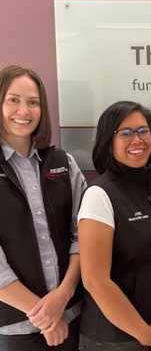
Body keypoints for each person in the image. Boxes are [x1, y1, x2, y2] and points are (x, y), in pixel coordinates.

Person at [77, 101, 151, 351]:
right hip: (114, 339)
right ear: (107, 140)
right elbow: (95, 281)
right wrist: (142, 333)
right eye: (125, 133)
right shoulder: (99, 195)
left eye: (143, 131)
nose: (137, 140)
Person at [0, 65, 85, 350]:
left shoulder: (63, 163)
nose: (23, 111)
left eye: (32, 102)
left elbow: (82, 237)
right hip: (16, 327)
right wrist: (45, 316)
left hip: (73, 316)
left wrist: (63, 296)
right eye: (13, 100)